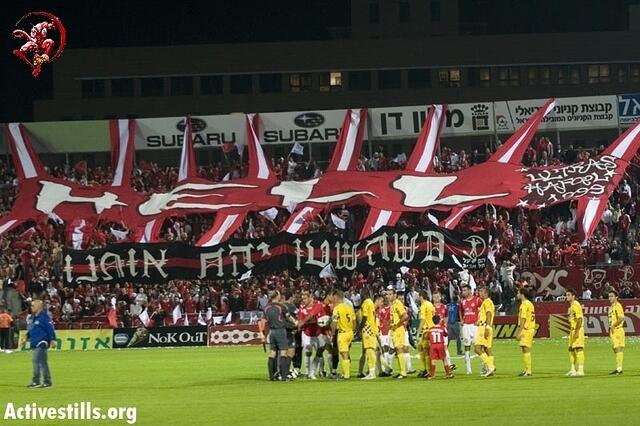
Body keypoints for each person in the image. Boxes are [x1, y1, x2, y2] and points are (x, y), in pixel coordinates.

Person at [22, 300, 56, 388]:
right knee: (43, 362)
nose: (31, 307)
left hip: (42, 342)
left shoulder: (44, 317)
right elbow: (31, 330)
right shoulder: (33, 317)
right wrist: (26, 337)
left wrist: (52, 340)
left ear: (39, 307)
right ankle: (47, 382)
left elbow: (50, 329)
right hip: (35, 342)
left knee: (35, 360)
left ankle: (36, 381)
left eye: (33, 305)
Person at [260, 291, 291, 381]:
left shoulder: (266, 307)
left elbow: (262, 321)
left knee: (272, 353)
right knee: (283, 353)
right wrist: (295, 322)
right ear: (277, 296)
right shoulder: (281, 306)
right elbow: (288, 317)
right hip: (280, 331)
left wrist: (262, 333)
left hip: (272, 332)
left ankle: (271, 376)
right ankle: (284, 376)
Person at [331, 290, 356, 380]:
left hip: (343, 333)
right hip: (350, 332)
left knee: (344, 354)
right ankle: (346, 372)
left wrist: (332, 333)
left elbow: (334, 322)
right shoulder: (349, 307)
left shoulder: (337, 309)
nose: (333, 299)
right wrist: (353, 331)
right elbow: (354, 321)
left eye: (334, 297)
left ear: (337, 297)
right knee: (346, 353)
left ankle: (346, 375)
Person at [357, 288, 381, 380]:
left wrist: (360, 328)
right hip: (372, 328)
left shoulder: (366, 303)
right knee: (370, 350)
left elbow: (365, 317)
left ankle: (372, 372)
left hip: (368, 329)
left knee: (370, 350)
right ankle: (371, 371)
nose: (360, 295)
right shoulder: (370, 302)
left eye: (361, 292)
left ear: (365, 293)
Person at [387, 288, 409, 379]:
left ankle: (403, 372)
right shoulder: (392, 305)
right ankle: (402, 371)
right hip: (394, 330)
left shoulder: (398, 304)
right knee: (397, 350)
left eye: (390, 294)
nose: (388, 296)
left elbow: (405, 316)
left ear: (395, 295)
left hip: (398, 330)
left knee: (399, 349)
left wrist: (397, 325)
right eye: (388, 294)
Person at [475, 286, 496, 378]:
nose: (480, 293)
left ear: (486, 293)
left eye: (481, 291)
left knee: (477, 348)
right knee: (488, 349)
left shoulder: (487, 302)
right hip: (485, 325)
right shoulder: (489, 302)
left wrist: (487, 326)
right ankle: (490, 368)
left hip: (484, 327)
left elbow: (489, 314)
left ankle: (490, 366)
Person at [515, 286, 536, 377]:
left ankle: (528, 371)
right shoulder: (530, 304)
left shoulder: (524, 304)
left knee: (526, 349)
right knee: (524, 348)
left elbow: (523, 319)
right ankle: (526, 369)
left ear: (522, 294)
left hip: (526, 329)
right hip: (530, 328)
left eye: (518, 293)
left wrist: (519, 332)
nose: (517, 295)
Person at [459, 285, 480, 374]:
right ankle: (468, 369)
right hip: (466, 326)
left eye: (465, 290)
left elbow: (482, 310)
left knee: (478, 346)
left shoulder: (477, 300)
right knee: (467, 347)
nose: (463, 292)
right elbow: (460, 311)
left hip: (474, 326)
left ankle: (483, 367)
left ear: (470, 291)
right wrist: (461, 320)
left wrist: (479, 320)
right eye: (462, 290)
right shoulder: (462, 302)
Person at [426, 315, 453, 380]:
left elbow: (428, 337)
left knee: (433, 360)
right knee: (444, 359)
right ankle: (448, 374)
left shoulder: (430, 329)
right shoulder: (442, 328)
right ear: (439, 321)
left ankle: (432, 375)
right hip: (440, 344)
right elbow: (446, 334)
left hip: (433, 345)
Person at [565, 288, 585, 377]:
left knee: (579, 348)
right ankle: (572, 369)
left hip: (577, 329)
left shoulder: (576, 304)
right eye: (566, 295)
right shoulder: (572, 306)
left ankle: (581, 370)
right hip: (572, 330)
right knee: (571, 349)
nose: (567, 296)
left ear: (573, 296)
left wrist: (577, 331)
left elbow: (580, 319)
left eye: (569, 295)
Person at [416, 290, 435, 378]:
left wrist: (418, 332)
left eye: (418, 296)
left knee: (426, 350)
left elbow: (423, 319)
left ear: (421, 296)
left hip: (426, 330)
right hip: (432, 328)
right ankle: (425, 369)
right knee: (420, 347)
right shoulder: (430, 304)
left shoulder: (423, 305)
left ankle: (428, 370)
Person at [608, 289, 625, 375]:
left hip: (618, 329)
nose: (609, 298)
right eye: (609, 296)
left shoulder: (618, 306)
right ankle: (619, 367)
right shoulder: (611, 307)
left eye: (611, 296)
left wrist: (614, 325)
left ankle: (619, 369)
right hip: (613, 330)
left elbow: (621, 318)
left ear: (616, 297)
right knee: (616, 349)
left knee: (618, 348)